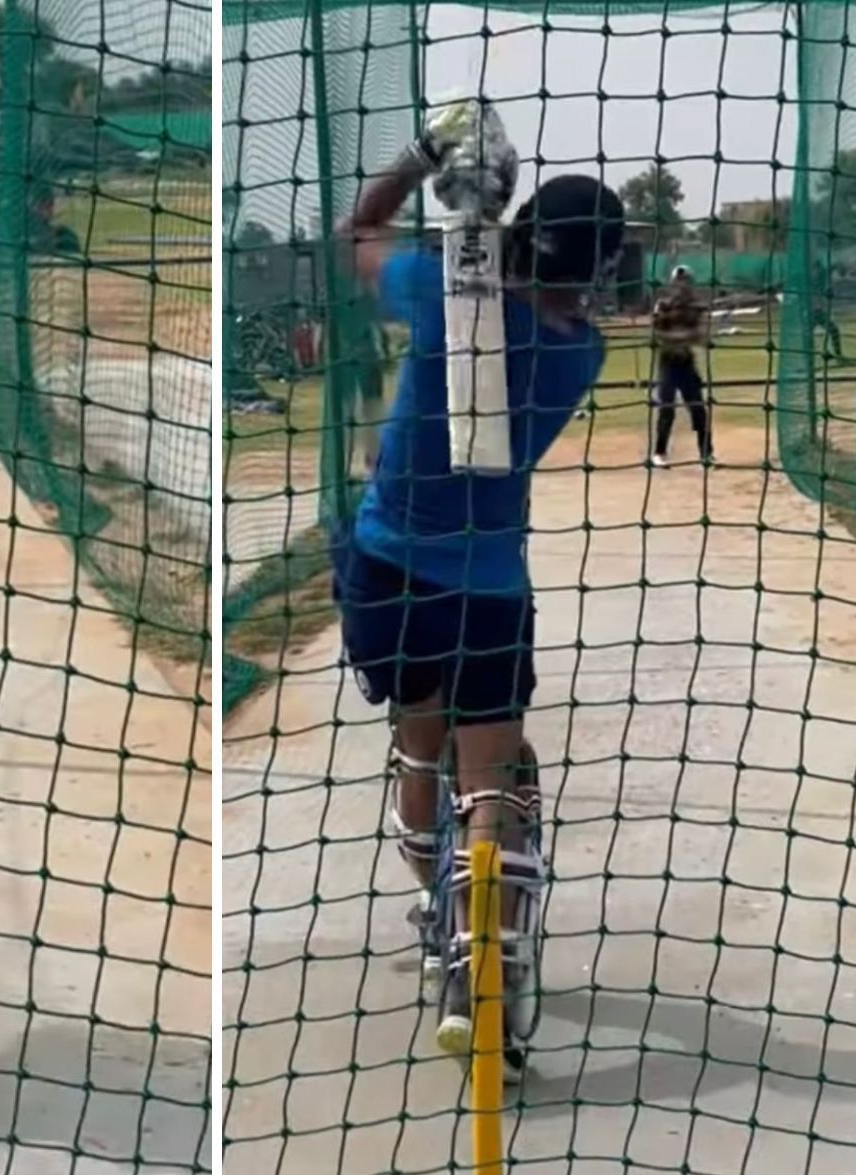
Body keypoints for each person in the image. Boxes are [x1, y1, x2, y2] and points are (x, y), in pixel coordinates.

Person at [334, 101, 623, 1073]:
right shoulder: (582, 352)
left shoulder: (434, 290)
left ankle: (437, 915)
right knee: (489, 781)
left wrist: (430, 162)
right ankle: (481, 945)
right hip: (486, 591)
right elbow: (527, 292)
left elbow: (359, 232)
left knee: (421, 761)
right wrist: (494, 233)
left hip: (385, 574)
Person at [649, 264, 712, 467]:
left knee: (698, 410)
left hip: (686, 363)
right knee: (667, 408)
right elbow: (657, 336)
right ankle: (659, 452)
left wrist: (688, 337)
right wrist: (682, 337)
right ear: (673, 284)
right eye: (679, 282)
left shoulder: (695, 308)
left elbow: (701, 337)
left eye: (686, 282)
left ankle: (706, 453)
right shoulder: (663, 306)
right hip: (667, 362)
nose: (682, 286)